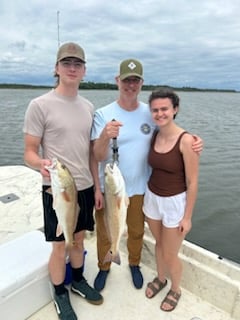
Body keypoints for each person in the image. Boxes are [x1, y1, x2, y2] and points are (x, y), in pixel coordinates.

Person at [90, 58, 203, 292]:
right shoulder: (103, 114)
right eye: (126, 80)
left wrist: (194, 141)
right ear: (117, 81)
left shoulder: (150, 113)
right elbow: (97, 156)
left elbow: (170, 134)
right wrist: (104, 136)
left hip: (142, 188)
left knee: (137, 231)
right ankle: (104, 266)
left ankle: (133, 263)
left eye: (135, 81)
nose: (130, 85)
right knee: (105, 230)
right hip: (111, 189)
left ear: (141, 83)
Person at [23, 42, 103, 320]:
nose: (72, 68)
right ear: (56, 69)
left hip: (85, 188)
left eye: (77, 64)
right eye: (66, 63)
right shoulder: (39, 105)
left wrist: (97, 187)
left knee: (79, 241)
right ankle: (59, 293)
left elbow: (92, 153)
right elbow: (29, 152)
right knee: (60, 246)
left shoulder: (89, 106)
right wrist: (40, 163)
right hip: (56, 189)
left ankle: (78, 281)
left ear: (84, 71)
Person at [143, 88, 199, 312]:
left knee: (170, 252)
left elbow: (193, 182)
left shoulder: (187, 141)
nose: (160, 114)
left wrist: (188, 216)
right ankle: (161, 277)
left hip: (175, 203)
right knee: (158, 244)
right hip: (152, 198)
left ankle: (176, 289)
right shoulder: (154, 134)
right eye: (155, 110)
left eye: (164, 108)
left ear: (175, 109)